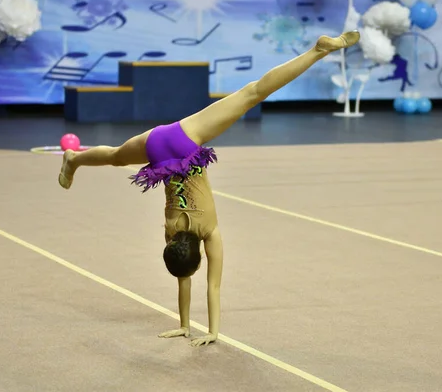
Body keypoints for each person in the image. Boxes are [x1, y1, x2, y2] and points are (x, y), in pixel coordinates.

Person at [57, 30, 361, 347]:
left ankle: (74, 158)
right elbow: (185, 278)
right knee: (250, 93)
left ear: (199, 254)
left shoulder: (209, 232)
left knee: (249, 96)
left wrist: (208, 331)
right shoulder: (172, 231)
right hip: (164, 142)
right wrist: (193, 329)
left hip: (182, 145)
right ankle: (316, 51)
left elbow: (210, 287)